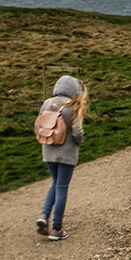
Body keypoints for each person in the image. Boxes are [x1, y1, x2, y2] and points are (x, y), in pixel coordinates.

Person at [36, 75, 89, 241]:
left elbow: (38, 125)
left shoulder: (47, 103)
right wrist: (78, 143)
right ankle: (57, 228)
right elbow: (77, 132)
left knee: (55, 182)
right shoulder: (72, 106)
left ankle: (44, 215)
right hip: (66, 153)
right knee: (62, 186)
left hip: (48, 150)